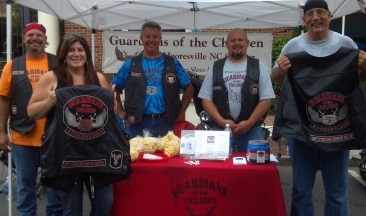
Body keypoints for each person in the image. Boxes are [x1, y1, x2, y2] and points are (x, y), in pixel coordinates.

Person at [271, 0, 366, 216]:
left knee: (336, 192)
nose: (315, 17)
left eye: (320, 12)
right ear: (304, 20)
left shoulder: (346, 44)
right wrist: (281, 71)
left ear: (330, 16)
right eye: (310, 14)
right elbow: (276, 77)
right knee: (301, 191)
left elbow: (359, 79)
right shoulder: (292, 46)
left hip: (338, 131)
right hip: (302, 132)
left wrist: (364, 67)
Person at [26, 34, 122, 216]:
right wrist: (50, 101)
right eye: (71, 50)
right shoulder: (51, 78)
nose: (76, 54)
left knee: (104, 204)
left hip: (97, 151)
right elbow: (31, 112)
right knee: (71, 209)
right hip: (66, 154)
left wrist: (114, 106)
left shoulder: (98, 78)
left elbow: (108, 115)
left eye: (80, 49)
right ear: (63, 53)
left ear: (87, 53)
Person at [0, 22, 63, 216]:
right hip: (23, 138)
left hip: (53, 137)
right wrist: (2, 132)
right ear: (24, 39)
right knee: (25, 189)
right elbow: (4, 99)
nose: (34, 38)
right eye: (30, 35)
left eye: (38, 35)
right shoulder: (13, 65)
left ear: (45, 39)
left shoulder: (57, 63)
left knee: (55, 190)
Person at [198, 29, 275, 152]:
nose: (237, 43)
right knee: (218, 168)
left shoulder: (258, 66)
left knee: (254, 169)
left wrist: (249, 122)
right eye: (233, 40)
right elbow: (206, 99)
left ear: (247, 43)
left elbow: (266, 99)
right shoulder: (216, 66)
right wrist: (221, 121)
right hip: (221, 129)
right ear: (226, 44)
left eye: (240, 40)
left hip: (251, 130)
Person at [112, 21, 194, 138]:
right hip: (137, 123)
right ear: (141, 38)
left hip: (165, 122)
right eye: (147, 36)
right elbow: (114, 88)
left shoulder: (172, 63)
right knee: (137, 156)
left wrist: (180, 112)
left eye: (155, 36)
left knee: (166, 155)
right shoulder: (131, 64)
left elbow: (189, 89)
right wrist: (120, 112)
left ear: (160, 39)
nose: (151, 40)